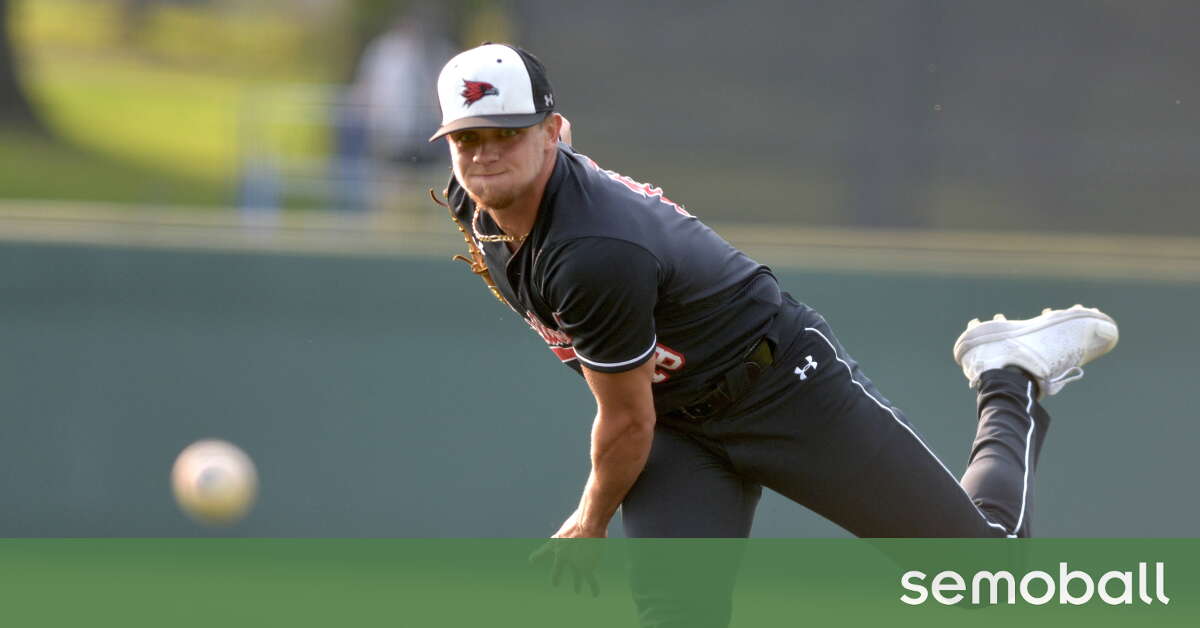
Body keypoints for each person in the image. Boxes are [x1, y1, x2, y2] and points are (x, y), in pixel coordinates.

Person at [427, 43, 1118, 624]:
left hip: (782, 389)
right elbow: (643, 415)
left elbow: (626, 421)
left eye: (507, 133)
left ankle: (1008, 377)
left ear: (550, 130)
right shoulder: (477, 196)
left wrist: (590, 520)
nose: (486, 155)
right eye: (467, 137)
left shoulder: (594, 252)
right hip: (679, 428)